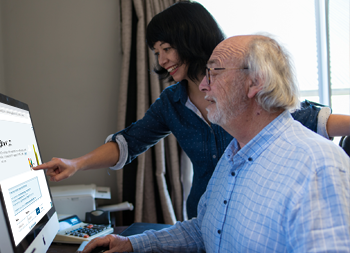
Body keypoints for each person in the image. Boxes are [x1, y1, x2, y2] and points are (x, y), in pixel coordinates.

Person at [34, 1, 350, 219]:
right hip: (201, 219)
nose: (161, 61)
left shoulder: (246, 91)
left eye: (167, 49)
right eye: (156, 53)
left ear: (190, 38)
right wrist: (76, 164)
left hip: (251, 219)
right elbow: (129, 141)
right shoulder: (172, 102)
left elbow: (313, 119)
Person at [82, 34, 350, 253]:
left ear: (254, 82)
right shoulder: (232, 155)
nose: (204, 86)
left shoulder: (317, 167)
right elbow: (205, 229)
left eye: (214, 73)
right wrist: (132, 243)